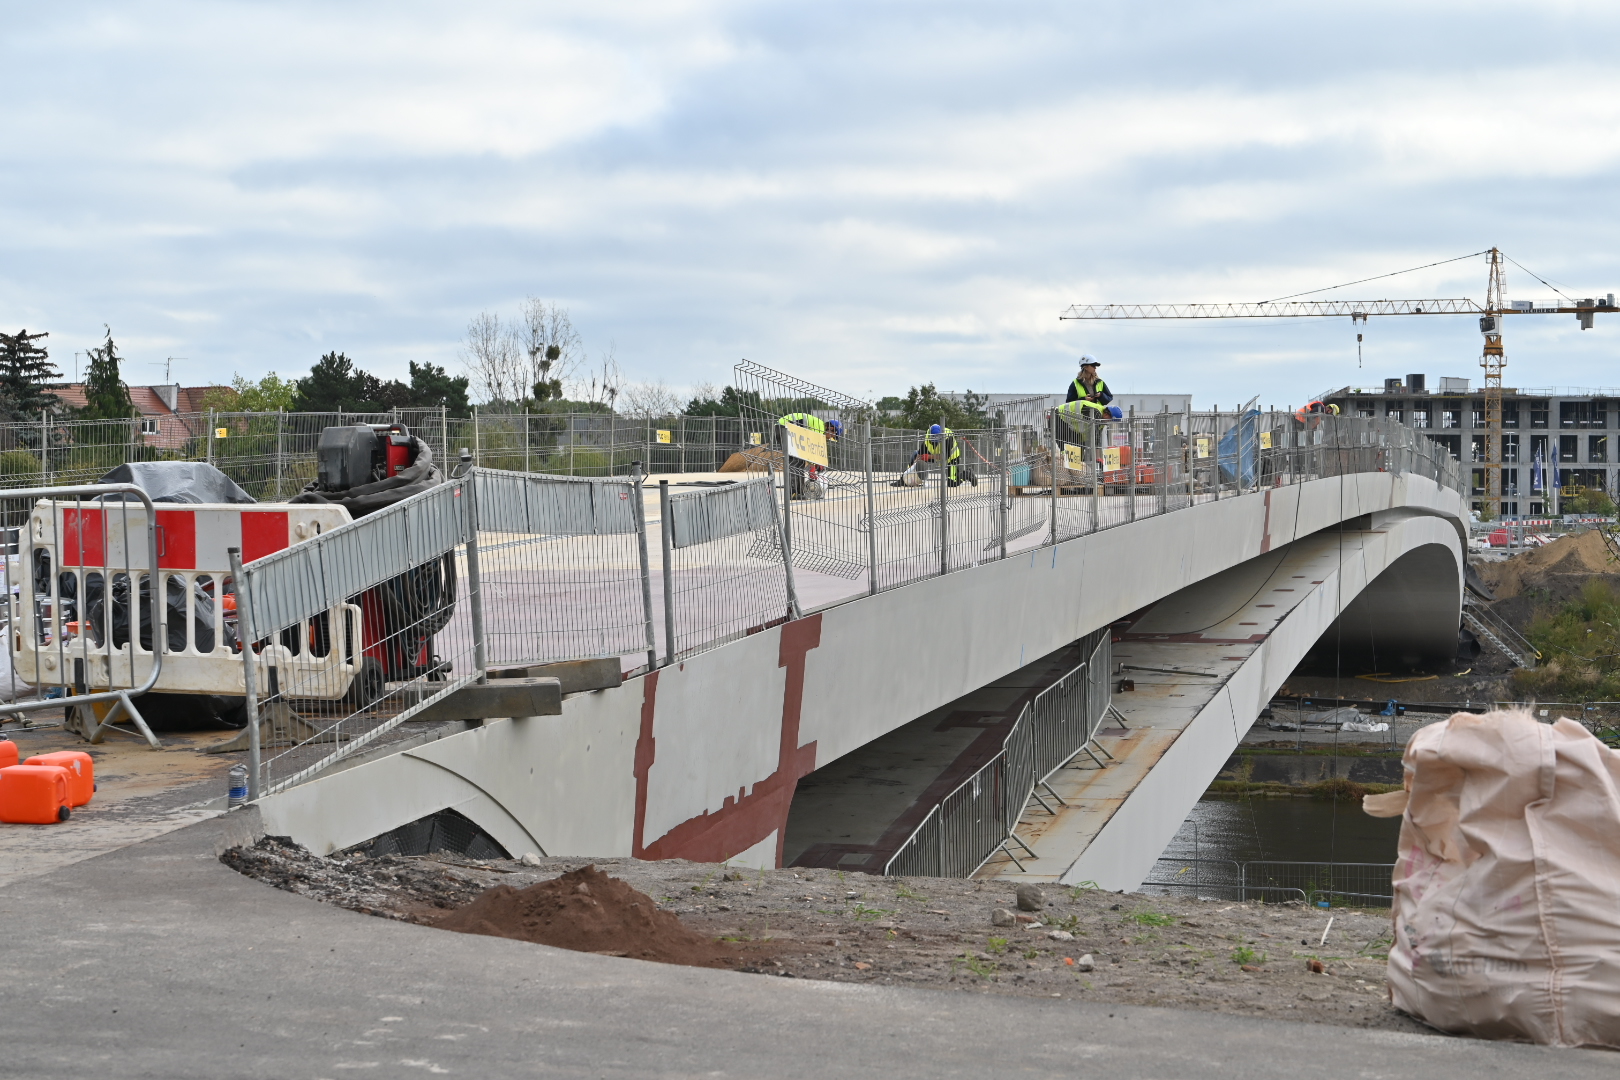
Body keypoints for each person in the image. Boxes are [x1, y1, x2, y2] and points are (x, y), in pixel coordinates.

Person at [776, 413, 841, 498]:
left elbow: (811, 450)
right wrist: (812, 467)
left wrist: (817, 463)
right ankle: (793, 492)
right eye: (832, 435)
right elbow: (811, 449)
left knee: (799, 461)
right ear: (831, 428)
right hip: (784, 428)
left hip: (786, 428)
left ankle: (798, 492)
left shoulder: (819, 426)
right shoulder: (819, 429)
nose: (830, 438)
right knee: (795, 461)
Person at [910, 423, 974, 487]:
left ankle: (967, 474)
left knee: (952, 483)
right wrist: (913, 467)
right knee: (915, 454)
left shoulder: (948, 437)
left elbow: (944, 456)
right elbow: (920, 454)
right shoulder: (928, 436)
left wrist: (929, 456)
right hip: (936, 455)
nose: (935, 443)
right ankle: (912, 477)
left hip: (951, 457)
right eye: (933, 441)